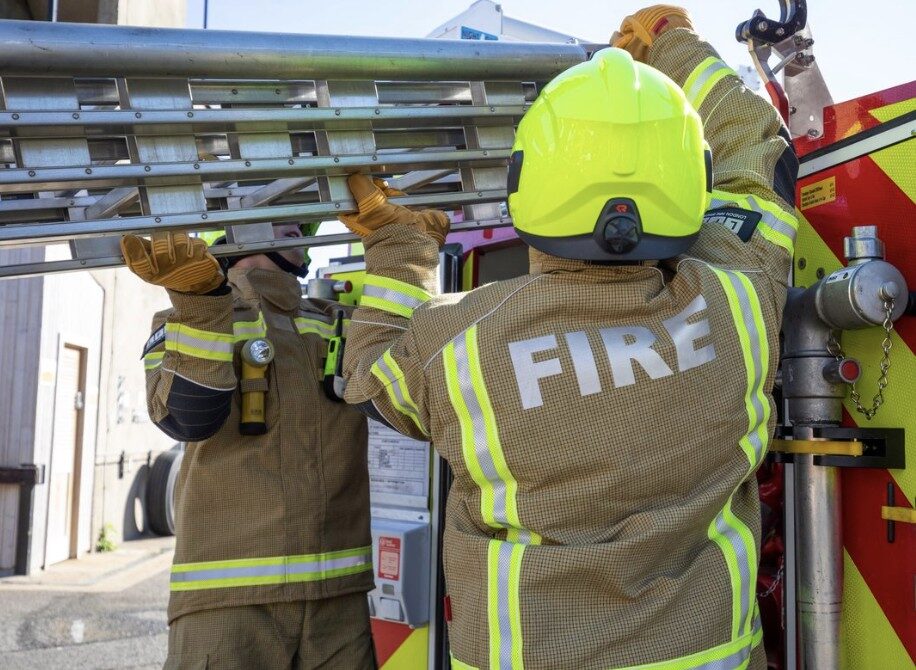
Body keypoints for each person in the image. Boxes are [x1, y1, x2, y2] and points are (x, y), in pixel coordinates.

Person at [338, 5, 798, 668]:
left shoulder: (457, 346)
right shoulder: (740, 300)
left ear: (528, 183)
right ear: (687, 179)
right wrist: (672, 45)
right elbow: (757, 150)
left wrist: (399, 246)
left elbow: (371, 375)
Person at [121, 223, 376, 669]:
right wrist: (203, 306)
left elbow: (407, 376)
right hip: (228, 601)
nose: (302, 229)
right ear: (235, 231)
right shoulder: (183, 317)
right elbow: (186, 419)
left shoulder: (335, 319)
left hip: (338, 598)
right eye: (284, 217)